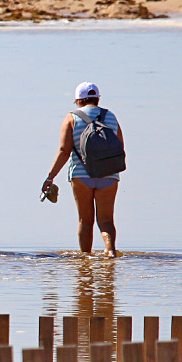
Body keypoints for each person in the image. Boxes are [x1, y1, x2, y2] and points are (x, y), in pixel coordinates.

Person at [42, 82, 122, 256]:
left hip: (81, 175)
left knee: (85, 221)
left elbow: (64, 151)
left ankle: (86, 259)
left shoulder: (72, 118)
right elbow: (120, 147)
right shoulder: (111, 117)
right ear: (97, 98)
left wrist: (50, 177)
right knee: (106, 221)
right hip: (108, 174)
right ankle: (110, 251)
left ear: (78, 101)